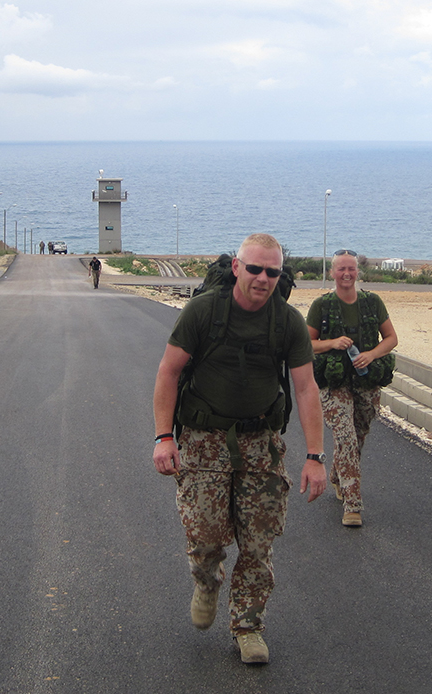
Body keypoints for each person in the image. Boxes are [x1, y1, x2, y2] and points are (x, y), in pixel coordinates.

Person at [152, 234, 326, 665]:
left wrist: (316, 456)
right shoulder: (203, 312)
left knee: (258, 541)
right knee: (206, 535)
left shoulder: (285, 321)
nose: (263, 279)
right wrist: (163, 437)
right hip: (204, 440)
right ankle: (207, 581)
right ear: (236, 268)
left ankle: (248, 626)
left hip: (261, 443)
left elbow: (305, 388)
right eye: (255, 269)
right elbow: (168, 373)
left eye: (273, 272)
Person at [306, 249, 398, 527]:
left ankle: (337, 475)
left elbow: (391, 338)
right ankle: (352, 504)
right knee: (345, 436)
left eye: (351, 269)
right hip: (334, 383)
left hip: (366, 380)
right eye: (341, 269)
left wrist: (371, 354)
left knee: (358, 435)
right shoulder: (321, 306)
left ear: (358, 272)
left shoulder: (372, 303)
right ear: (332, 273)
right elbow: (306, 343)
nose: (346, 274)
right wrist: (332, 343)